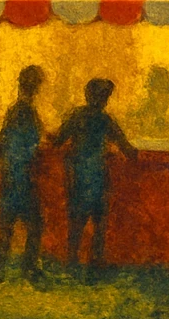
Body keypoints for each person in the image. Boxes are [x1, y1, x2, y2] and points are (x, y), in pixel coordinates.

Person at [55, 78, 137, 270]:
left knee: (77, 220)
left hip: (78, 175)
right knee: (99, 221)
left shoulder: (77, 116)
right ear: (103, 99)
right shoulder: (105, 120)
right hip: (98, 175)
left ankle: (72, 261)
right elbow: (127, 148)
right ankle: (96, 261)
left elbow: (58, 140)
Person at [0, 64, 45, 283]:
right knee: (35, 224)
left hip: (10, 176)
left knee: (7, 226)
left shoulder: (14, 111)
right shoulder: (26, 112)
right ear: (34, 87)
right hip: (21, 177)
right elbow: (32, 144)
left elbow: (2, 143)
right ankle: (28, 268)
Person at [128, 65, 169, 140]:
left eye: (166, 90)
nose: (162, 96)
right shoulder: (136, 119)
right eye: (158, 89)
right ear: (149, 90)